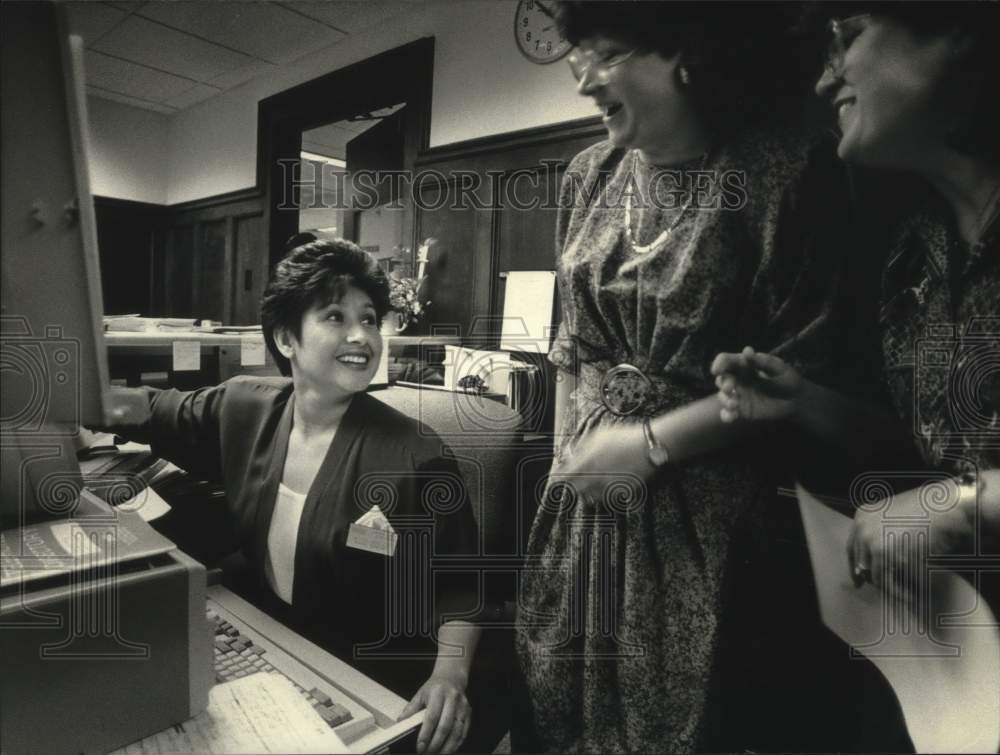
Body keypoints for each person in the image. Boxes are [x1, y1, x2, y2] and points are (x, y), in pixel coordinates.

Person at [512, 2, 853, 751]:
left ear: (687, 51)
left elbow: (794, 377)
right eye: (579, 56)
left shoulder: (786, 167)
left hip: (717, 521)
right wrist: (564, 464)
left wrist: (649, 445)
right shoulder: (586, 174)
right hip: (587, 508)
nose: (582, 82)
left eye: (604, 55)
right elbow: (571, 350)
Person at [108, 235, 483, 755]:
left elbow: (461, 589)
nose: (362, 336)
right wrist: (56, 399)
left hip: (367, 672)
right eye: (335, 316)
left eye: (370, 318)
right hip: (273, 637)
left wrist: (451, 677)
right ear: (286, 338)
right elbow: (150, 409)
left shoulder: (417, 457)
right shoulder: (243, 406)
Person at [711, 4, 1000, 596]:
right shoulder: (912, 249)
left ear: (957, 27)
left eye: (848, 37)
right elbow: (937, 458)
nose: (825, 79)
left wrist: (966, 507)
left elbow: (956, 493)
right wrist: (805, 403)